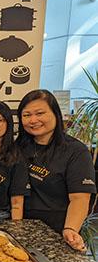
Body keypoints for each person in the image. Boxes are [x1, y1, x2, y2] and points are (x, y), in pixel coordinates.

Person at [16, 89, 96, 251]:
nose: (33, 120)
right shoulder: (20, 146)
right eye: (26, 115)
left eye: (40, 113)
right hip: (20, 227)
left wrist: (70, 229)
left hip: (56, 231)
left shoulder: (75, 151)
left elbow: (79, 199)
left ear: (56, 114)